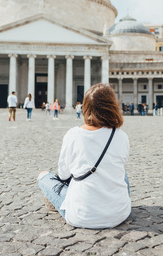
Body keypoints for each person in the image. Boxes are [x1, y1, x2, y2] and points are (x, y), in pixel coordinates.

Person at [37, 83, 131, 229]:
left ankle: (59, 200)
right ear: (113, 106)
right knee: (121, 172)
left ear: (85, 108)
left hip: (81, 216)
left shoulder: (73, 135)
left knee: (43, 176)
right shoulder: (121, 136)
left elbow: (63, 175)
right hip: (120, 214)